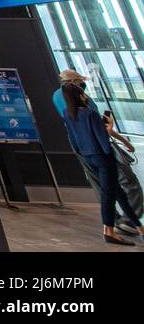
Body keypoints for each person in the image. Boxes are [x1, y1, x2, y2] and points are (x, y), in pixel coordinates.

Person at [58, 75, 142, 245]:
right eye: (83, 91)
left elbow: (73, 139)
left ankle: (139, 227)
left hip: (88, 156)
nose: (86, 94)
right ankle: (109, 231)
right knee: (110, 195)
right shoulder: (90, 113)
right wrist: (110, 130)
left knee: (118, 193)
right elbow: (103, 139)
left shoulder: (68, 114)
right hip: (103, 158)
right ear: (79, 94)